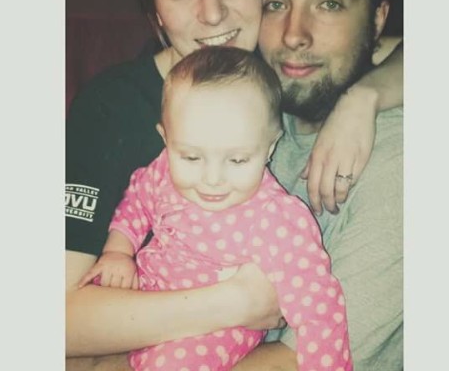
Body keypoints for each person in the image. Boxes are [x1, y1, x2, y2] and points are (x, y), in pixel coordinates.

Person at [65, 0, 403, 369]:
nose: (213, 14)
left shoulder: (280, 65)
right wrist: (235, 302)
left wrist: (363, 97)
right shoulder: (114, 107)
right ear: (153, 9)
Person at [79, 46, 353, 371]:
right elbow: (138, 198)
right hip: (145, 297)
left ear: (269, 148)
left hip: (215, 331)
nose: (212, 179)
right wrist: (118, 251)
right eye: (192, 157)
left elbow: (317, 306)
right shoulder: (163, 169)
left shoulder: (277, 219)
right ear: (166, 139)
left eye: (237, 160)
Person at [235, 0, 403, 369]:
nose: (294, 34)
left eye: (329, 3)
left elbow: (298, 362)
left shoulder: (398, 162)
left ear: (377, 19)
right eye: (275, 4)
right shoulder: (253, 114)